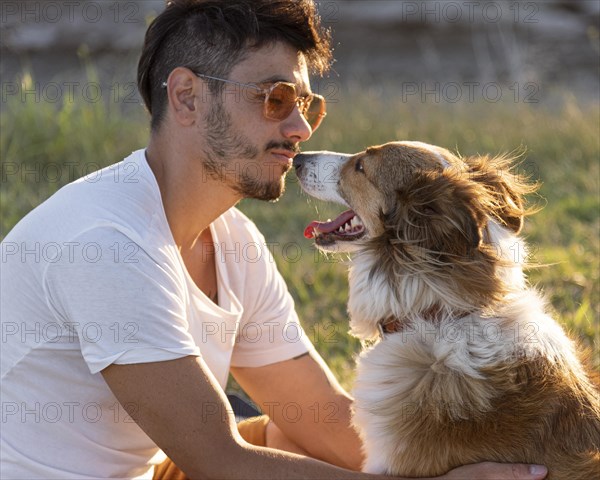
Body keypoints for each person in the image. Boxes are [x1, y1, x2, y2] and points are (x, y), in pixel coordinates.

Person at [0, 1, 548, 479]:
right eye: (275, 98)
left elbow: (319, 413)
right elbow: (220, 460)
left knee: (300, 439)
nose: (302, 129)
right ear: (187, 97)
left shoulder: (231, 238)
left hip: (156, 468)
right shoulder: (106, 244)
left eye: (307, 105)